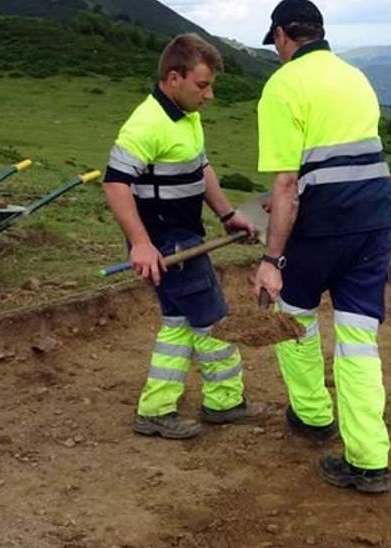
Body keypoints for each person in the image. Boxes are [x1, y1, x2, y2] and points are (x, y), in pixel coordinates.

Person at [253, 0, 391, 494]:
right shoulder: (356, 77)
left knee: (293, 314)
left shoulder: (283, 85)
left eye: (274, 43)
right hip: (374, 219)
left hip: (321, 227)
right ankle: (368, 459)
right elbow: (343, 161)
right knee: (358, 339)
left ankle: (313, 416)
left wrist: (271, 260)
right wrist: (292, 200)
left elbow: (288, 180)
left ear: (281, 36)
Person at [102, 33, 267, 440]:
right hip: (168, 243)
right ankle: (225, 403)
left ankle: (156, 410)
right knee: (213, 321)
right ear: (173, 78)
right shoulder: (146, 124)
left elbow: (202, 169)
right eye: (202, 84)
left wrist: (227, 214)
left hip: (183, 237)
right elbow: (115, 184)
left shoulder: (185, 117)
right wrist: (141, 244)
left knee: (178, 324)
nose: (209, 95)